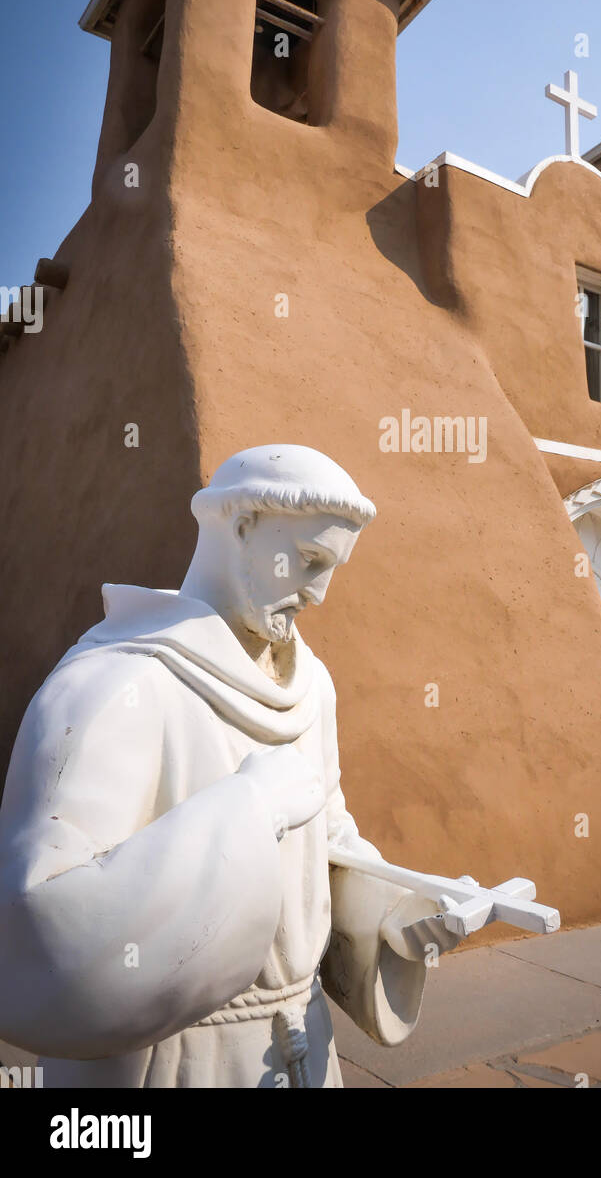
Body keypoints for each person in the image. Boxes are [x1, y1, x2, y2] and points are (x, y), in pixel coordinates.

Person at [0, 444, 458, 1087]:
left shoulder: (313, 686)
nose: (321, 594)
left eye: (334, 568)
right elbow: (40, 921)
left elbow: (326, 842)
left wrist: (399, 914)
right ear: (242, 527)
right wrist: (249, 808)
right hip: (178, 1059)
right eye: (309, 561)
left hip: (304, 1043)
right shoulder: (115, 684)